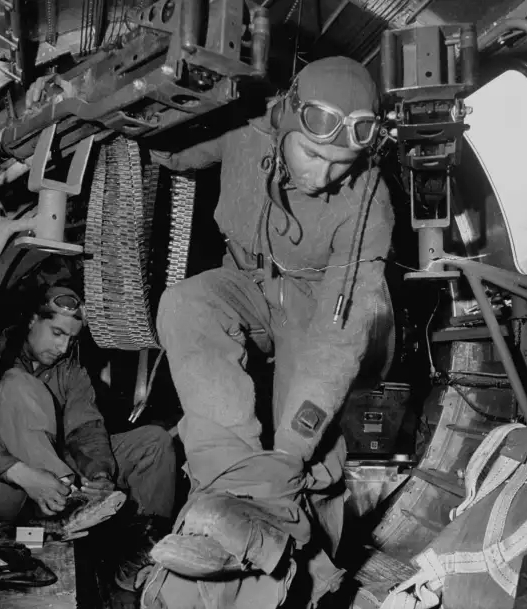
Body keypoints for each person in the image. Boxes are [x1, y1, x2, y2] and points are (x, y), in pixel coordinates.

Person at [142, 56, 395, 609]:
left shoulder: (369, 202)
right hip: (250, 284)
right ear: (284, 119)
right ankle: (231, 495)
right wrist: (154, 117)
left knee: (310, 451)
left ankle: (299, 581)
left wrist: (291, 448)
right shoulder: (248, 126)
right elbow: (175, 150)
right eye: (311, 153)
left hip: (318, 313)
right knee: (187, 303)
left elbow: (340, 331)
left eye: (340, 163)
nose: (322, 176)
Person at [0, 275, 177, 591]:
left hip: (56, 475)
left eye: (72, 339)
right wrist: (23, 473)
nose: (63, 347)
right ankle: (63, 503)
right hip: (7, 483)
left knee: (154, 443)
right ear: (34, 320)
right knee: (17, 384)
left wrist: (101, 475)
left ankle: (142, 553)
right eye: (57, 333)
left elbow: (85, 429)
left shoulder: (71, 372)